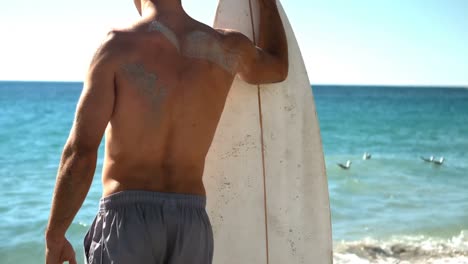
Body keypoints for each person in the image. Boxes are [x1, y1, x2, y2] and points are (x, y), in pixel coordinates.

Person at [45, 0, 288, 263]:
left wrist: (55, 238)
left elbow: (80, 152)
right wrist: (266, 5)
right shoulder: (227, 48)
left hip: (128, 223)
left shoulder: (117, 47)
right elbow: (278, 68)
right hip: (191, 224)